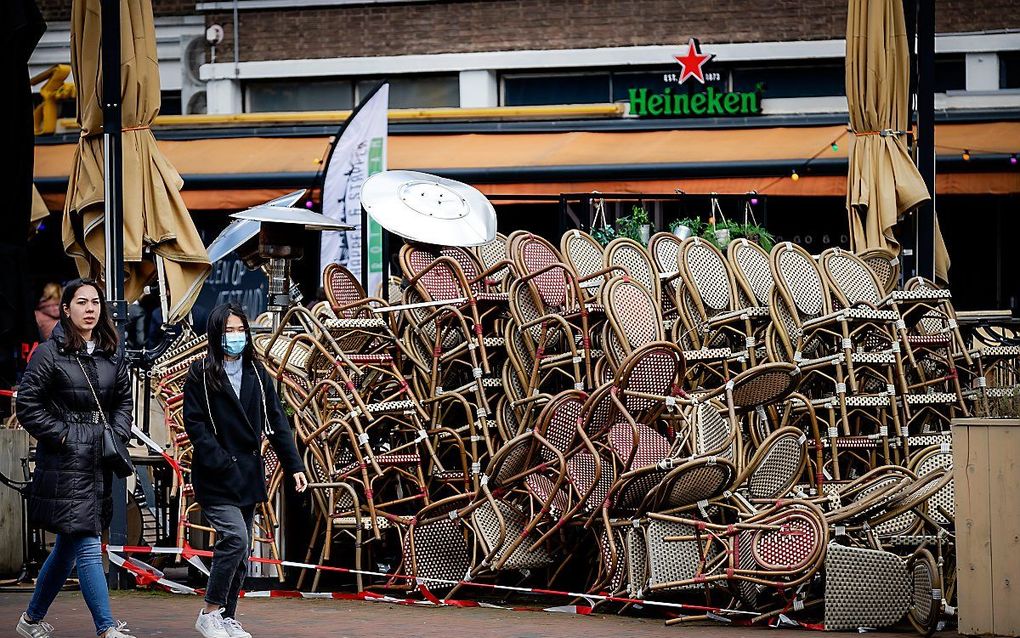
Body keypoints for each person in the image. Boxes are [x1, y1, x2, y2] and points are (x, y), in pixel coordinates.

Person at [15, 278, 135, 638]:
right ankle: (106, 628)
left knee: (69, 545)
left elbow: (123, 402)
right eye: (81, 303)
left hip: (100, 459)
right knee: (85, 541)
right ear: (66, 309)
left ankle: (31, 620)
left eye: (95, 303)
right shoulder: (49, 353)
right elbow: (27, 404)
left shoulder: (113, 351)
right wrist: (65, 434)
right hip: (66, 461)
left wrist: (116, 433)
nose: (90, 310)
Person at [182, 302, 307, 638]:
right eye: (228, 331)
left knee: (242, 549)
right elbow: (193, 423)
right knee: (234, 538)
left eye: (240, 330)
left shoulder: (257, 373)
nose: (235, 337)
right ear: (215, 334)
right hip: (215, 473)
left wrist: (293, 465)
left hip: (249, 475)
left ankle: (227, 616)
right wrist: (219, 458)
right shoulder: (201, 373)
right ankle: (209, 611)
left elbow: (278, 422)